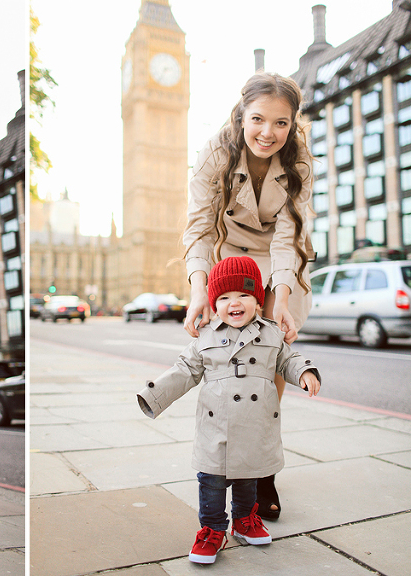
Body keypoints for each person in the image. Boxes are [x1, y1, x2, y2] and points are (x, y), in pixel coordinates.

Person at [182, 72, 315, 519]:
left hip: (281, 260)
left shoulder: (300, 162)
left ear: (292, 123)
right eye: (258, 119)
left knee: (270, 355)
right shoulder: (214, 155)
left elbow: (288, 236)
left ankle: (261, 471)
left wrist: (280, 297)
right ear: (242, 116)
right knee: (230, 356)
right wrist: (200, 288)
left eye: (281, 123)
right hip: (231, 254)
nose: (268, 133)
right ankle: (225, 459)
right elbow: (199, 226)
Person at [137, 256, 321, 565]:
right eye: (224, 297)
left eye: (243, 295)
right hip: (216, 428)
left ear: (258, 301)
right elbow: (184, 371)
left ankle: (245, 519)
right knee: (211, 482)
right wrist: (153, 396)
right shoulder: (206, 336)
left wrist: (305, 372)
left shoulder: (271, 334)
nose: (233, 303)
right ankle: (211, 529)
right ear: (214, 303)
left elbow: (288, 359)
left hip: (254, 425)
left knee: (248, 477)